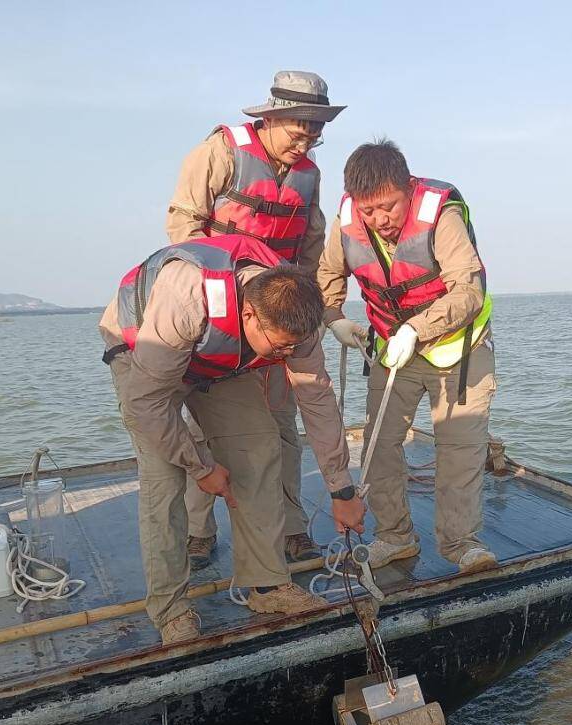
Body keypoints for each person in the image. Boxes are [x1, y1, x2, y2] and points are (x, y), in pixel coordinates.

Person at [100, 234, 366, 644]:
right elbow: (146, 406)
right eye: (281, 347)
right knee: (165, 477)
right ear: (247, 315)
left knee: (260, 448)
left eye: (294, 347)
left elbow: (317, 398)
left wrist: (341, 488)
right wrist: (202, 468)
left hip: (220, 360)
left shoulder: (297, 322)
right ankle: (170, 608)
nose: (287, 355)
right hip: (144, 354)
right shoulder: (185, 299)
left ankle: (267, 585)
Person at [165, 70, 345, 570]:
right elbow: (183, 232)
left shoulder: (309, 175)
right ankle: (200, 532)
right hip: (221, 315)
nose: (307, 138)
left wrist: (311, 313)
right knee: (204, 428)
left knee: (284, 426)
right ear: (271, 116)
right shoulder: (218, 152)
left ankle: (291, 527)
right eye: (299, 128)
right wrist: (219, 303)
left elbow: (309, 250)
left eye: (316, 130)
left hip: (279, 319)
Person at [317, 140, 497, 573]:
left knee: (460, 449)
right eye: (369, 211)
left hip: (459, 349)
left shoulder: (442, 214)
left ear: (408, 187)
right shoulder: (348, 220)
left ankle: (462, 546)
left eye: (389, 207)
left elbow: (469, 290)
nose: (380, 220)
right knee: (378, 447)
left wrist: (416, 329)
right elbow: (327, 274)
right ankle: (394, 537)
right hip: (391, 352)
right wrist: (333, 317)